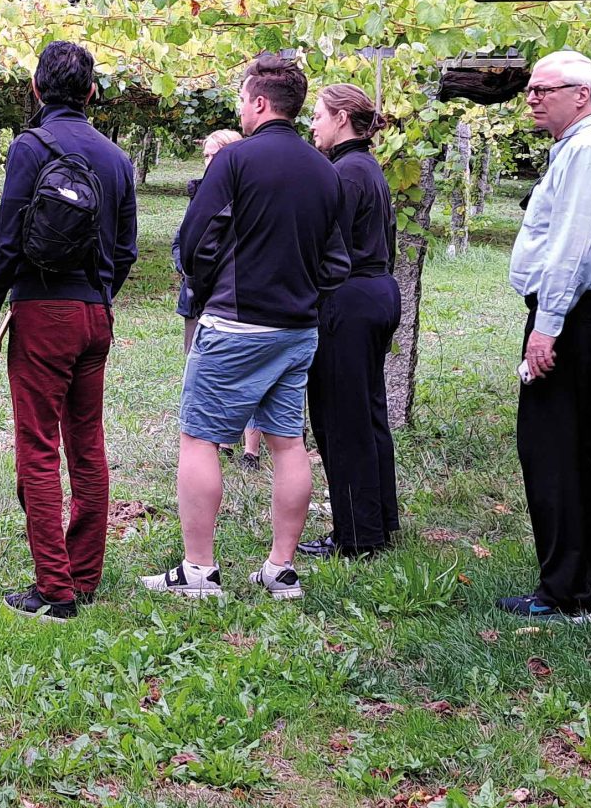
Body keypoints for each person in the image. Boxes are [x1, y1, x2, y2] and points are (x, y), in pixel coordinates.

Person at [146, 52, 346, 603]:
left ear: (259, 103)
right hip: (298, 329)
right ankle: (281, 569)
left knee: (200, 438)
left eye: (241, 100)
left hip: (236, 324)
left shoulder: (233, 163)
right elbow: (337, 262)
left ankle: (199, 571)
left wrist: (206, 288)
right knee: (288, 443)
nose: (240, 110)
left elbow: (193, 240)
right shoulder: (326, 171)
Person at [0, 40, 139, 622]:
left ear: (37, 90)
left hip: (44, 316)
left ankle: (54, 589)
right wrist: (97, 296)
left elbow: (6, 240)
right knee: (87, 444)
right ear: (92, 93)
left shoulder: (30, 147)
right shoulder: (117, 159)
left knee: (39, 448)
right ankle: (84, 574)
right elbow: (126, 250)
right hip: (96, 317)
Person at [505, 49, 591, 621]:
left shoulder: (585, 150)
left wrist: (546, 326)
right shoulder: (584, 147)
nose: (532, 98)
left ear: (581, 94)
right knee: (581, 451)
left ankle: (565, 594)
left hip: (578, 317)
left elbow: (574, 248)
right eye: (530, 90)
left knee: (552, 452)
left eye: (544, 89)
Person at [301, 84, 400, 558]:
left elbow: (326, 245)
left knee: (341, 418)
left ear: (342, 118)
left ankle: (357, 535)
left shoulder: (344, 173)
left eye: (319, 115)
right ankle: (379, 522)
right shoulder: (367, 168)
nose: (313, 123)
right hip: (378, 290)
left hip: (351, 298)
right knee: (367, 412)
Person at [180, 128, 262, 471]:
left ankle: (250, 448)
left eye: (214, 154)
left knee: (250, 374)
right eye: (206, 156)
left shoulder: (249, 193)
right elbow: (185, 241)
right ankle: (219, 438)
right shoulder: (201, 191)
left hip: (235, 302)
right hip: (200, 299)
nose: (209, 162)